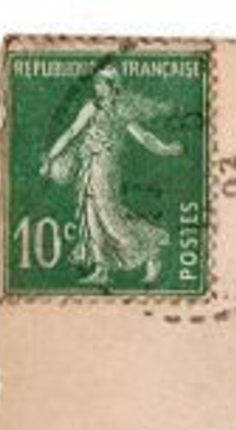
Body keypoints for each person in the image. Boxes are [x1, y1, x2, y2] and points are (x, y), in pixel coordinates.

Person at [40, 66, 183, 286]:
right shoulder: (90, 108)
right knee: (90, 216)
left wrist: (165, 149)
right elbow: (71, 132)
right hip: (88, 166)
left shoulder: (121, 111)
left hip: (106, 168)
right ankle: (101, 269)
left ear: (112, 87)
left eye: (102, 83)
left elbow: (143, 137)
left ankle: (151, 250)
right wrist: (50, 158)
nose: (97, 87)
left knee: (110, 217)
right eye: (96, 83)